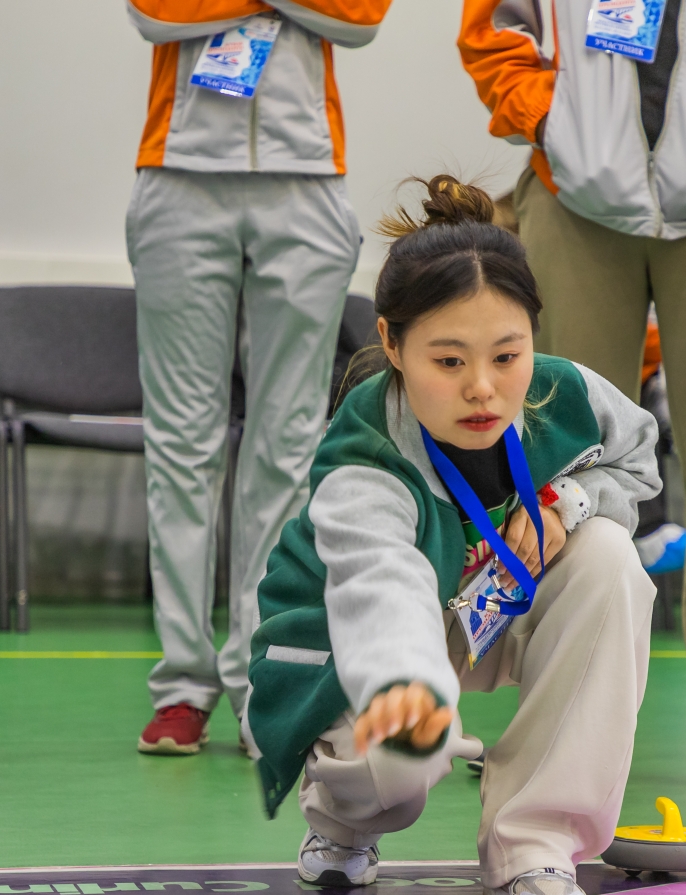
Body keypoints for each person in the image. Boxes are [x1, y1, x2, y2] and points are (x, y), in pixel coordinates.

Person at [246, 177, 662, 895]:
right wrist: (408, 687)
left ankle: (534, 846)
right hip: (359, 646)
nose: (483, 389)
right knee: (399, 762)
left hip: (489, 608)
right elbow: (385, 590)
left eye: (507, 355)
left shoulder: (565, 394)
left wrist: (569, 503)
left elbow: (636, 464)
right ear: (391, 344)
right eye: (448, 362)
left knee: (609, 559)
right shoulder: (365, 458)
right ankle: (341, 820)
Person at [459, 0, 686, 794]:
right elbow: (495, 29)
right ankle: (543, 704)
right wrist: (554, 123)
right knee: (551, 468)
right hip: (578, 203)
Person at [126, 0, 387, 755]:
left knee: (286, 447)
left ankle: (257, 678)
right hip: (178, 179)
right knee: (181, 445)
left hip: (304, 183)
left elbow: (363, 15)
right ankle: (181, 684)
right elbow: (151, 11)